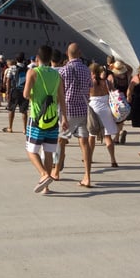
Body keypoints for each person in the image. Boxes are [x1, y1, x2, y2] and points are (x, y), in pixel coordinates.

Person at [23, 44, 65, 194]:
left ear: (37, 57)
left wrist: (34, 94)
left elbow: (26, 94)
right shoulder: (57, 75)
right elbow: (61, 97)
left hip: (37, 116)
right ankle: (46, 188)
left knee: (31, 150)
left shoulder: (33, 72)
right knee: (48, 152)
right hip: (53, 118)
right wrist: (64, 118)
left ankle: (43, 174)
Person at [54, 43, 95, 187]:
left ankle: (56, 171)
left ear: (67, 53)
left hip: (68, 110)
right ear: (80, 53)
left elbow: (60, 92)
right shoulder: (86, 70)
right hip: (84, 110)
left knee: (61, 141)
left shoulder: (64, 71)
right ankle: (87, 176)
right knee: (84, 143)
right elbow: (91, 88)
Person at [88, 62, 119, 168]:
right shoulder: (106, 82)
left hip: (93, 108)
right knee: (107, 136)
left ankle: (90, 158)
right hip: (106, 109)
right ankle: (113, 159)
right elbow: (113, 91)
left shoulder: (90, 82)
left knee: (91, 136)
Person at [107, 57, 131, 144]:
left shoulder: (111, 77)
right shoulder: (126, 76)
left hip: (115, 101)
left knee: (114, 118)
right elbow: (130, 69)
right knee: (121, 120)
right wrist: (123, 63)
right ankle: (117, 137)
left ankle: (118, 135)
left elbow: (108, 89)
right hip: (124, 100)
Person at [2, 54, 28, 133]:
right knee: (24, 110)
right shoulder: (27, 69)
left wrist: (7, 91)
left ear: (16, 59)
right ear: (24, 59)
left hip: (14, 91)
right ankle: (24, 129)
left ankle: (10, 127)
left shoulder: (12, 68)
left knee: (11, 109)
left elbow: (8, 80)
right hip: (24, 91)